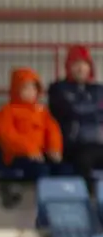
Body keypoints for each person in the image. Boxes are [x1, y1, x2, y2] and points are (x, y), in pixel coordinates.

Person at [48, 45, 103, 190]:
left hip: (98, 143)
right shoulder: (58, 89)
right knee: (85, 160)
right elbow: (71, 111)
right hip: (74, 145)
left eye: (84, 64)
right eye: (76, 64)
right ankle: (89, 200)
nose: (81, 68)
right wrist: (96, 108)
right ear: (68, 67)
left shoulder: (98, 89)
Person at [0, 67, 64, 177]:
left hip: (41, 154)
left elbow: (53, 130)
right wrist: (29, 149)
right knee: (40, 170)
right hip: (18, 156)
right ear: (16, 89)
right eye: (26, 88)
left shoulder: (42, 111)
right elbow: (8, 136)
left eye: (34, 88)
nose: (31, 92)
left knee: (63, 169)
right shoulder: (7, 111)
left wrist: (54, 148)